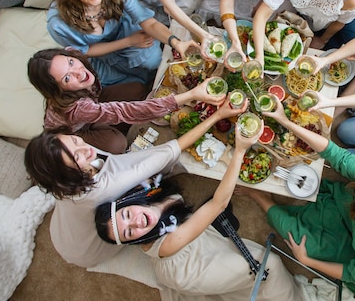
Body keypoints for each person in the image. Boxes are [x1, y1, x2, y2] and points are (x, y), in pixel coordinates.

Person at [238, 98, 355, 301]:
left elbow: (350, 273)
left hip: (352, 253)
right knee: (313, 182)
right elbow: (336, 155)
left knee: (297, 239)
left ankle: (258, 196)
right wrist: (286, 122)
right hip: (347, 213)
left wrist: (306, 260)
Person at [24, 95, 247, 268]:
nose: (84, 148)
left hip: (63, 228)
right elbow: (172, 150)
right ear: (66, 176)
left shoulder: (61, 179)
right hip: (85, 248)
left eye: (75, 140)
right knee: (127, 225)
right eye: (77, 156)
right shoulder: (111, 184)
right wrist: (217, 117)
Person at [95, 121, 305, 301]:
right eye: (129, 232)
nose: (137, 222)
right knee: (270, 267)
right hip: (189, 271)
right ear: (133, 241)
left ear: (126, 203)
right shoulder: (170, 243)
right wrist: (240, 150)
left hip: (191, 243)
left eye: (127, 216)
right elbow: (218, 204)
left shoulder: (144, 193)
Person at [28, 48, 225, 154]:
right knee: (118, 144)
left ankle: (112, 125)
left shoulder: (74, 56)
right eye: (67, 78)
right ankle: (114, 139)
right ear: (58, 89)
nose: (78, 72)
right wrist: (191, 95)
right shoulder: (75, 108)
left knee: (137, 89)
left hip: (93, 104)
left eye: (71, 63)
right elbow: (126, 111)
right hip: (77, 128)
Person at [47, 0, 195, 87]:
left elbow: (148, 22)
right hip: (100, 54)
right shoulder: (58, 25)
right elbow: (84, 51)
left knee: (153, 61)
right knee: (129, 86)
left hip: (126, 30)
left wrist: (176, 43)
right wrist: (129, 42)